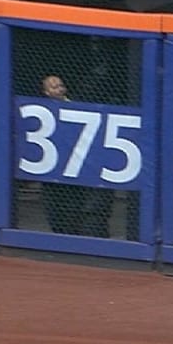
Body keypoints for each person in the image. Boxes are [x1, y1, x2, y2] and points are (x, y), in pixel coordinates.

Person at [38, 75, 114, 238]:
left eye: (60, 86)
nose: (58, 89)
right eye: (52, 87)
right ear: (45, 92)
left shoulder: (77, 107)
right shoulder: (40, 112)